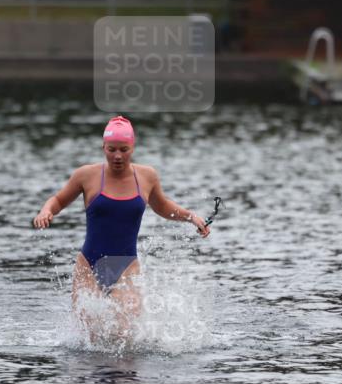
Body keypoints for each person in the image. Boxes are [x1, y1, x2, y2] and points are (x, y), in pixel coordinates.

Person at [32, 116, 210, 336]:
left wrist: (191, 217)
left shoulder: (147, 176)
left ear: (133, 147)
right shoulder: (86, 175)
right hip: (89, 265)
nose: (117, 156)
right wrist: (46, 211)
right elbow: (58, 200)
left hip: (126, 267)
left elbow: (162, 206)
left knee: (125, 336)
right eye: (111, 149)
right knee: (89, 337)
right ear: (103, 147)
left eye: (124, 149)